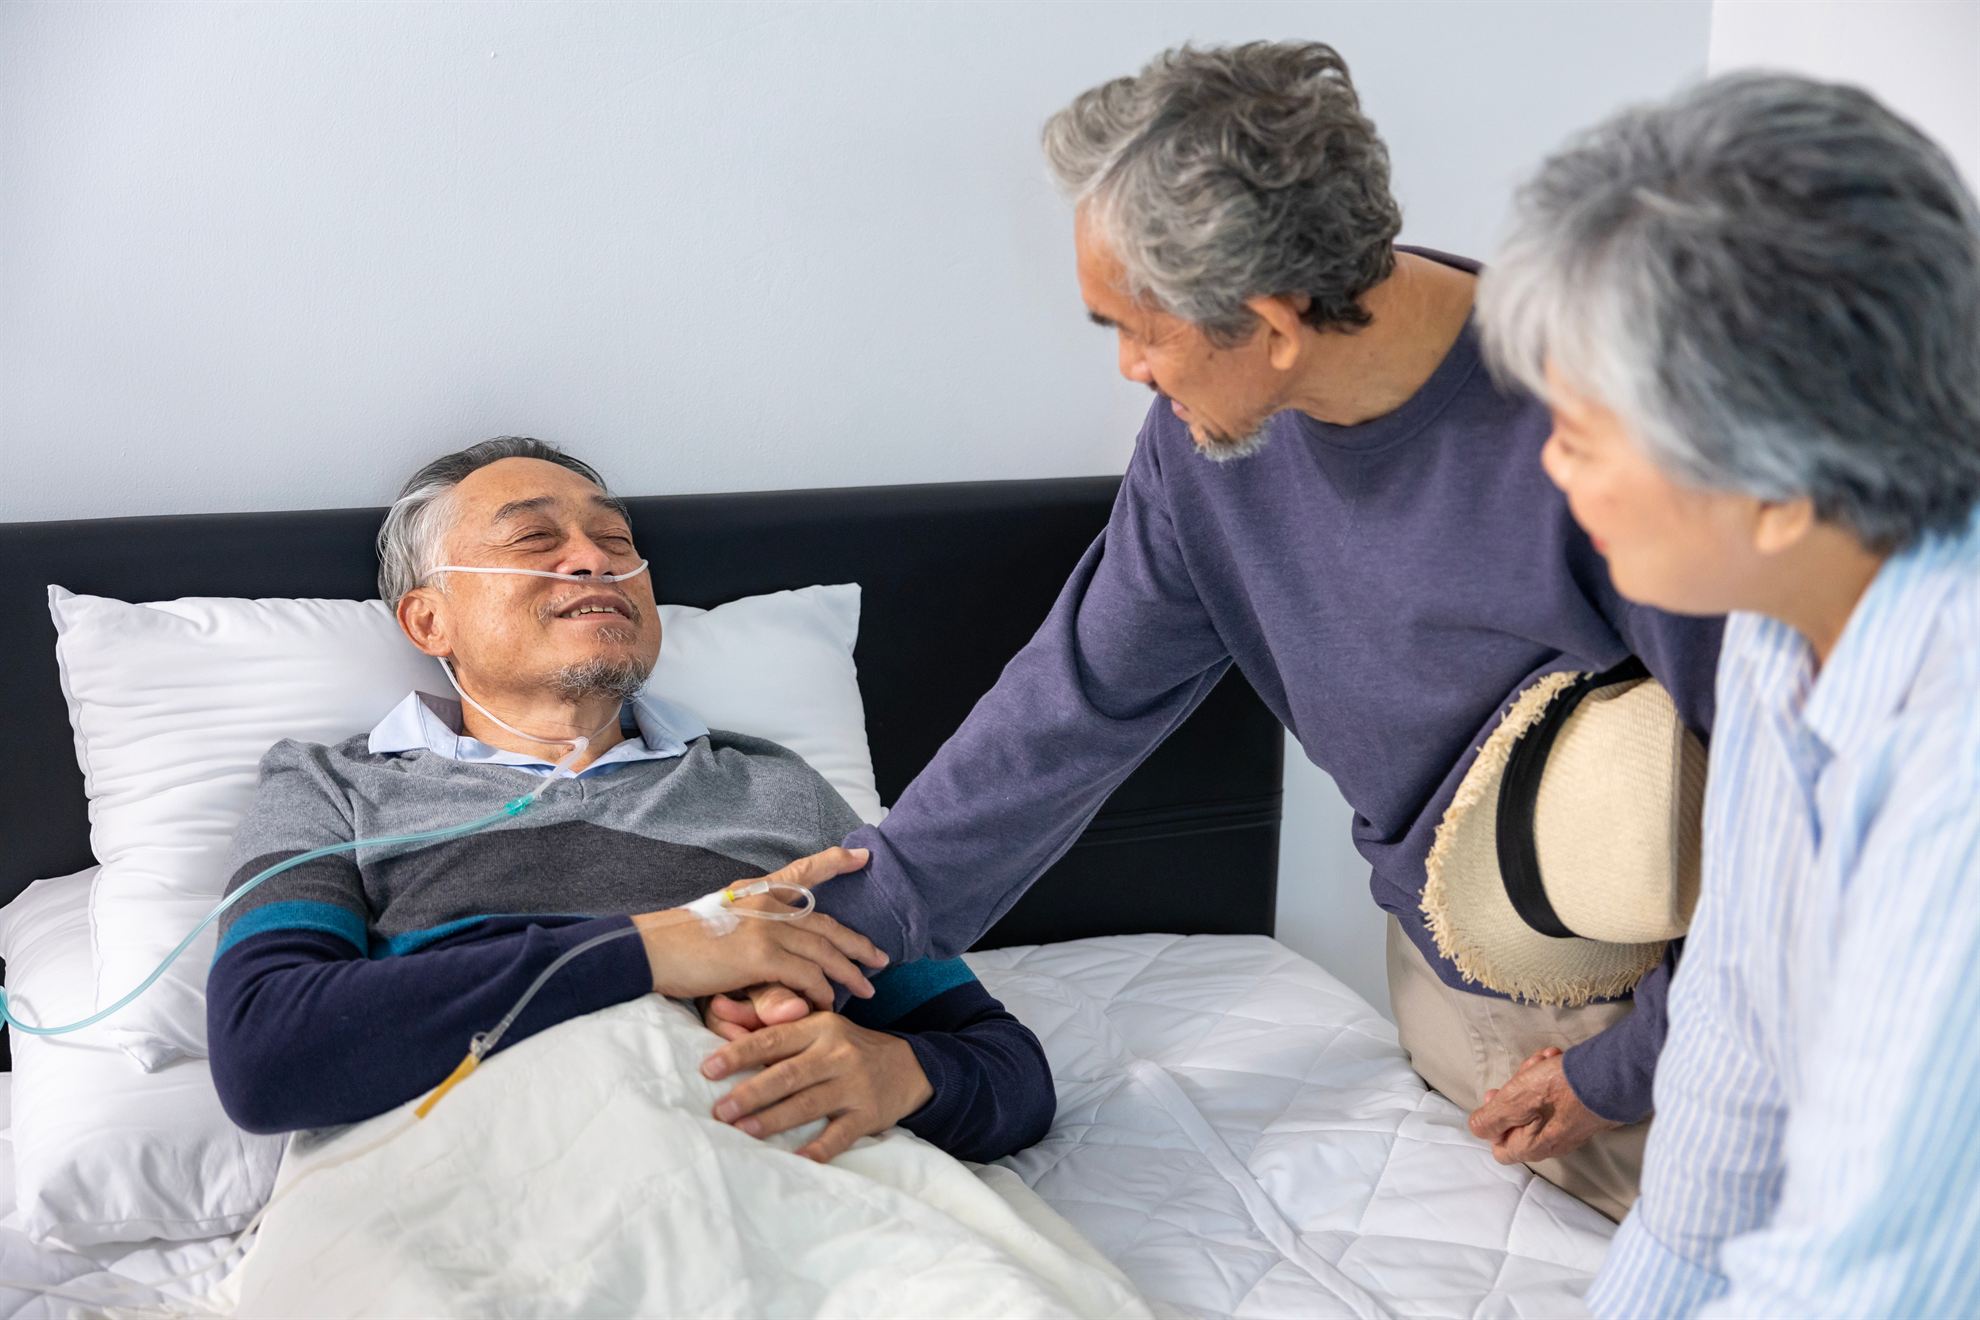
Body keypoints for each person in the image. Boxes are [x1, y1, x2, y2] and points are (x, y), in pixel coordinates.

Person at [713, 40, 1722, 1221]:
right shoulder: (1209, 459)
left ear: (1274, 321)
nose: (1134, 371)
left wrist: (1627, 1064)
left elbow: (1789, 805)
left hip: (1687, 1012)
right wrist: (829, 949)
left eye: (1134, 332)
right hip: (1461, 991)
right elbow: (1072, 710)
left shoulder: (1618, 431)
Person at [1475, 72, 1980, 1315]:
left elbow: (1867, 1279)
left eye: (1584, 434)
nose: (1548, 465)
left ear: (1777, 474)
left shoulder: (1956, 759)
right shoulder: (1783, 616)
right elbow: (1732, 1084)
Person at [205, 437, 1056, 1166]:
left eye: (616, 540)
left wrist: (902, 1073)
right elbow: (266, 1053)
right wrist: (660, 949)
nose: (594, 559)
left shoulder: (772, 788)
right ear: (430, 624)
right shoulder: (329, 788)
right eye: (535, 538)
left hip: (774, 1181)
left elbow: (1007, 1068)